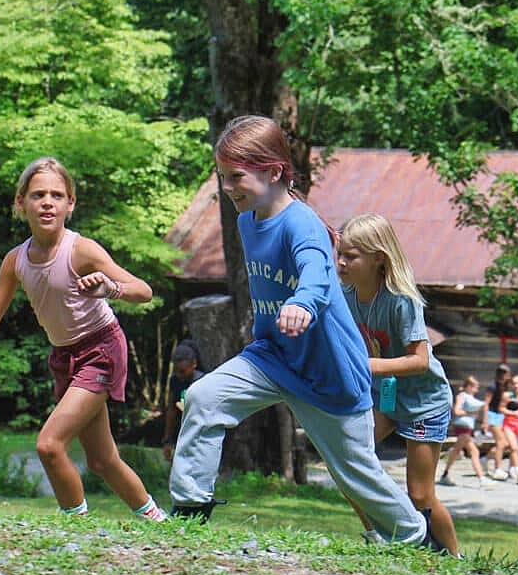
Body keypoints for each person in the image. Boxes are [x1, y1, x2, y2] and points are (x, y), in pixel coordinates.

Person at [168, 116, 448, 553]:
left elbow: (316, 271)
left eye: (236, 176)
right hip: (272, 355)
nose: (227, 187)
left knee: (353, 471)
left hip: (329, 371)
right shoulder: (247, 220)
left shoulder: (304, 225)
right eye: (222, 177)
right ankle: (188, 512)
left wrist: (301, 302)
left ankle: (415, 538)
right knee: (204, 397)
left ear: (274, 172)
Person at [0, 156, 165, 521]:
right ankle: (158, 520)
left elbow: (144, 290)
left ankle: (75, 524)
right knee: (103, 459)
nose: (48, 202)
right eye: (38, 194)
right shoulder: (15, 260)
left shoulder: (82, 250)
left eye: (57, 195)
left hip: (102, 349)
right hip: (65, 356)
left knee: (49, 444)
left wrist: (111, 288)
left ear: (70, 204)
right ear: (21, 202)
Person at [337, 212, 458, 556]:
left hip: (424, 402)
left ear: (378, 258)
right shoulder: (346, 294)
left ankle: (453, 558)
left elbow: (420, 360)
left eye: (351, 256)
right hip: (386, 397)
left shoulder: (401, 299)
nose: (342, 262)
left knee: (420, 494)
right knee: (349, 464)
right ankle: (382, 536)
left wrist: (366, 365)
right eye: (340, 254)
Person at [438, 375, 494, 490]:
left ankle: (445, 474)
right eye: (475, 387)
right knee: (474, 451)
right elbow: (457, 411)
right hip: (462, 427)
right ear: (468, 386)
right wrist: (469, 414)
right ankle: (481, 478)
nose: (477, 390)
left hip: (467, 428)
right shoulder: (462, 396)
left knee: (456, 451)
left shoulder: (470, 397)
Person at [162, 340, 204, 461]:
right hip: (184, 432)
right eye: (176, 371)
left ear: (194, 364)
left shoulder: (203, 382)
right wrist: (167, 440)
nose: (179, 375)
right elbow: (172, 410)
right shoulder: (175, 381)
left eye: (182, 371)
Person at [481, 364, 513, 481]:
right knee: (500, 442)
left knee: (504, 444)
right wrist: (485, 421)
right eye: (507, 374)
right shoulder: (492, 386)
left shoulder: (504, 386)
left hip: (500, 415)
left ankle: (485, 459)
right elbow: (486, 404)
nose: (509, 376)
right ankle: (497, 468)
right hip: (492, 415)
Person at [498, 374, 518, 485]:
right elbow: (501, 408)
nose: (516, 385)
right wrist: (513, 413)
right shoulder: (507, 395)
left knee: (513, 448)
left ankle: (511, 468)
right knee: (514, 447)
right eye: (514, 383)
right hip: (509, 424)